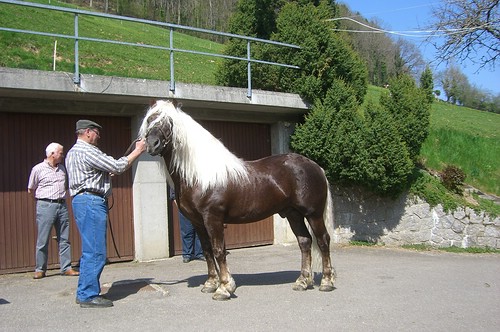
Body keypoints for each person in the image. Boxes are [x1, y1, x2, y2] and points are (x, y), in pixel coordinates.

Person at [65, 119, 146, 308]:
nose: (99, 136)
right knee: (95, 251)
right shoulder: (87, 150)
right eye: (97, 132)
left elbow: (92, 173)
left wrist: (103, 175)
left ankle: (85, 291)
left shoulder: (73, 152)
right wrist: (138, 150)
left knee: (91, 249)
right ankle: (87, 295)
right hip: (91, 202)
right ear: (87, 132)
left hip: (84, 201)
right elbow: (117, 166)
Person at [28, 142, 80, 280]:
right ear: (52, 154)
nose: (62, 155)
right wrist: (42, 202)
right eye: (61, 153)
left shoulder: (62, 168)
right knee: (43, 239)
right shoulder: (38, 169)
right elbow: (31, 189)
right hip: (46, 205)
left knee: (64, 238)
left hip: (62, 205)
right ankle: (40, 269)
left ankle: (66, 268)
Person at [169, 188, 204, 263]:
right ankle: (187, 254)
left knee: (200, 232)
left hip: (198, 208)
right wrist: (180, 207)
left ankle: (200, 253)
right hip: (184, 207)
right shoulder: (179, 180)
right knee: (187, 231)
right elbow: (174, 194)